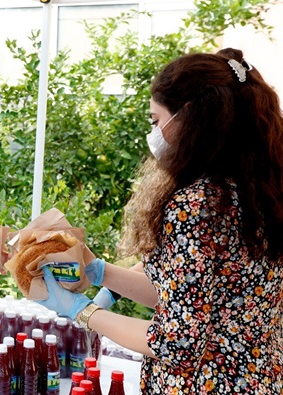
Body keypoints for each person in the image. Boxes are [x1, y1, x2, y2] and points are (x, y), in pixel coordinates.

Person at [38, 48, 283, 394]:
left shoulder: (195, 206)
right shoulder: (260, 192)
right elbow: (189, 299)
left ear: (189, 118)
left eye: (156, 121)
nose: (153, 132)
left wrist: (82, 311)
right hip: (258, 379)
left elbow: (177, 344)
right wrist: (99, 270)